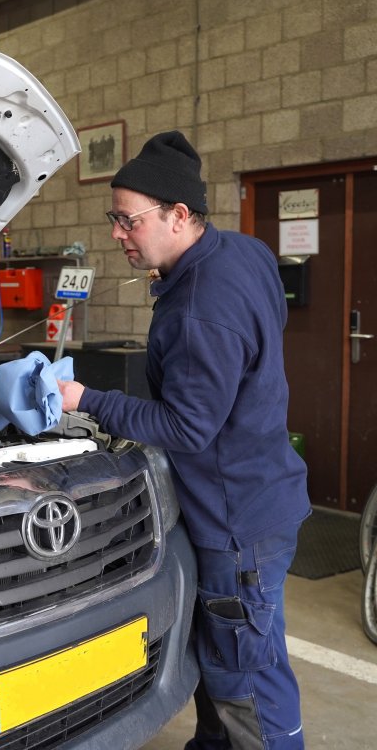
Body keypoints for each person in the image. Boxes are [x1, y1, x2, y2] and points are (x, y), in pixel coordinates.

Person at [57, 130, 311, 750]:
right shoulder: (244, 252)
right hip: (265, 490)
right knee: (221, 654)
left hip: (236, 522)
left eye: (128, 220)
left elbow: (186, 428)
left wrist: (86, 401)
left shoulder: (201, 308)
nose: (118, 233)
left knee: (246, 677)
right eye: (114, 218)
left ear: (178, 215)